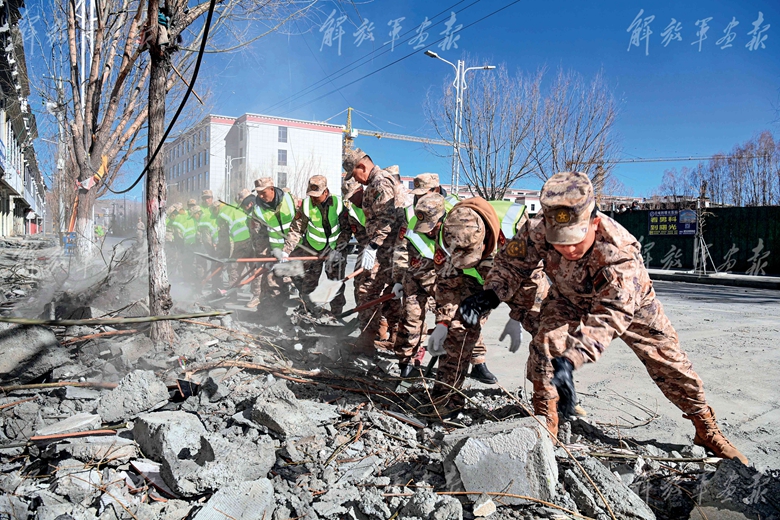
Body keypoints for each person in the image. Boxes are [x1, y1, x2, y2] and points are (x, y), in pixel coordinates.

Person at [461, 171, 747, 464]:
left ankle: (705, 427)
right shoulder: (538, 228)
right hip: (568, 298)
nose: (568, 250)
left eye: (575, 240)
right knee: (546, 345)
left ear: (594, 223)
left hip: (630, 307)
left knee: (669, 363)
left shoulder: (619, 252)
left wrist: (572, 360)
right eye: (559, 242)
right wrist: (490, 295)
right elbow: (511, 263)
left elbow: (610, 316)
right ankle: (546, 418)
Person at [391, 174, 456, 377]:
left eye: (424, 193)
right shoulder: (413, 216)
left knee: (452, 322)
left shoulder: (456, 212)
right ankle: (407, 363)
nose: (419, 198)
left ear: (436, 190)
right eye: (417, 194)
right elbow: (402, 249)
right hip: (417, 274)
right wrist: (398, 279)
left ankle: (475, 362)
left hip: (448, 276)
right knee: (410, 317)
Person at [342, 148, 405, 350]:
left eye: (355, 175)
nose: (356, 180)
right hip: (386, 250)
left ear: (362, 166)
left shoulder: (380, 183)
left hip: (388, 249)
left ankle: (370, 341)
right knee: (388, 293)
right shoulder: (375, 183)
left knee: (368, 292)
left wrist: (373, 245)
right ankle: (389, 337)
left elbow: (387, 218)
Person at [280, 175, 346, 315]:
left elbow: (346, 229)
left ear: (325, 192)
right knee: (308, 282)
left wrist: (339, 248)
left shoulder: (339, 204)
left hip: (335, 248)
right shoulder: (306, 205)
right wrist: (286, 250)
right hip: (313, 247)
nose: (313, 199)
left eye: (317, 196)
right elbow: (296, 229)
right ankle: (308, 309)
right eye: (311, 195)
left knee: (335, 283)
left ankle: (337, 313)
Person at [251, 177, 297, 308]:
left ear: (271, 189)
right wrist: (264, 257)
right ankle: (276, 313)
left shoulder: (290, 200)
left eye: (263, 192)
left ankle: (304, 312)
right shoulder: (257, 209)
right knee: (273, 284)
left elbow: (299, 226)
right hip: (275, 253)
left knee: (300, 283)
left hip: (295, 249)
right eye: (258, 193)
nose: (260, 196)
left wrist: (287, 251)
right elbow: (259, 237)